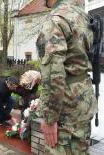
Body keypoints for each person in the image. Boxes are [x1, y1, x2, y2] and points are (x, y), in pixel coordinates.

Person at [36, 0, 98, 154]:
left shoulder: (55, 20)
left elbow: (53, 75)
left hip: (65, 108)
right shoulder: (82, 15)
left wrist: (50, 119)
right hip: (83, 100)